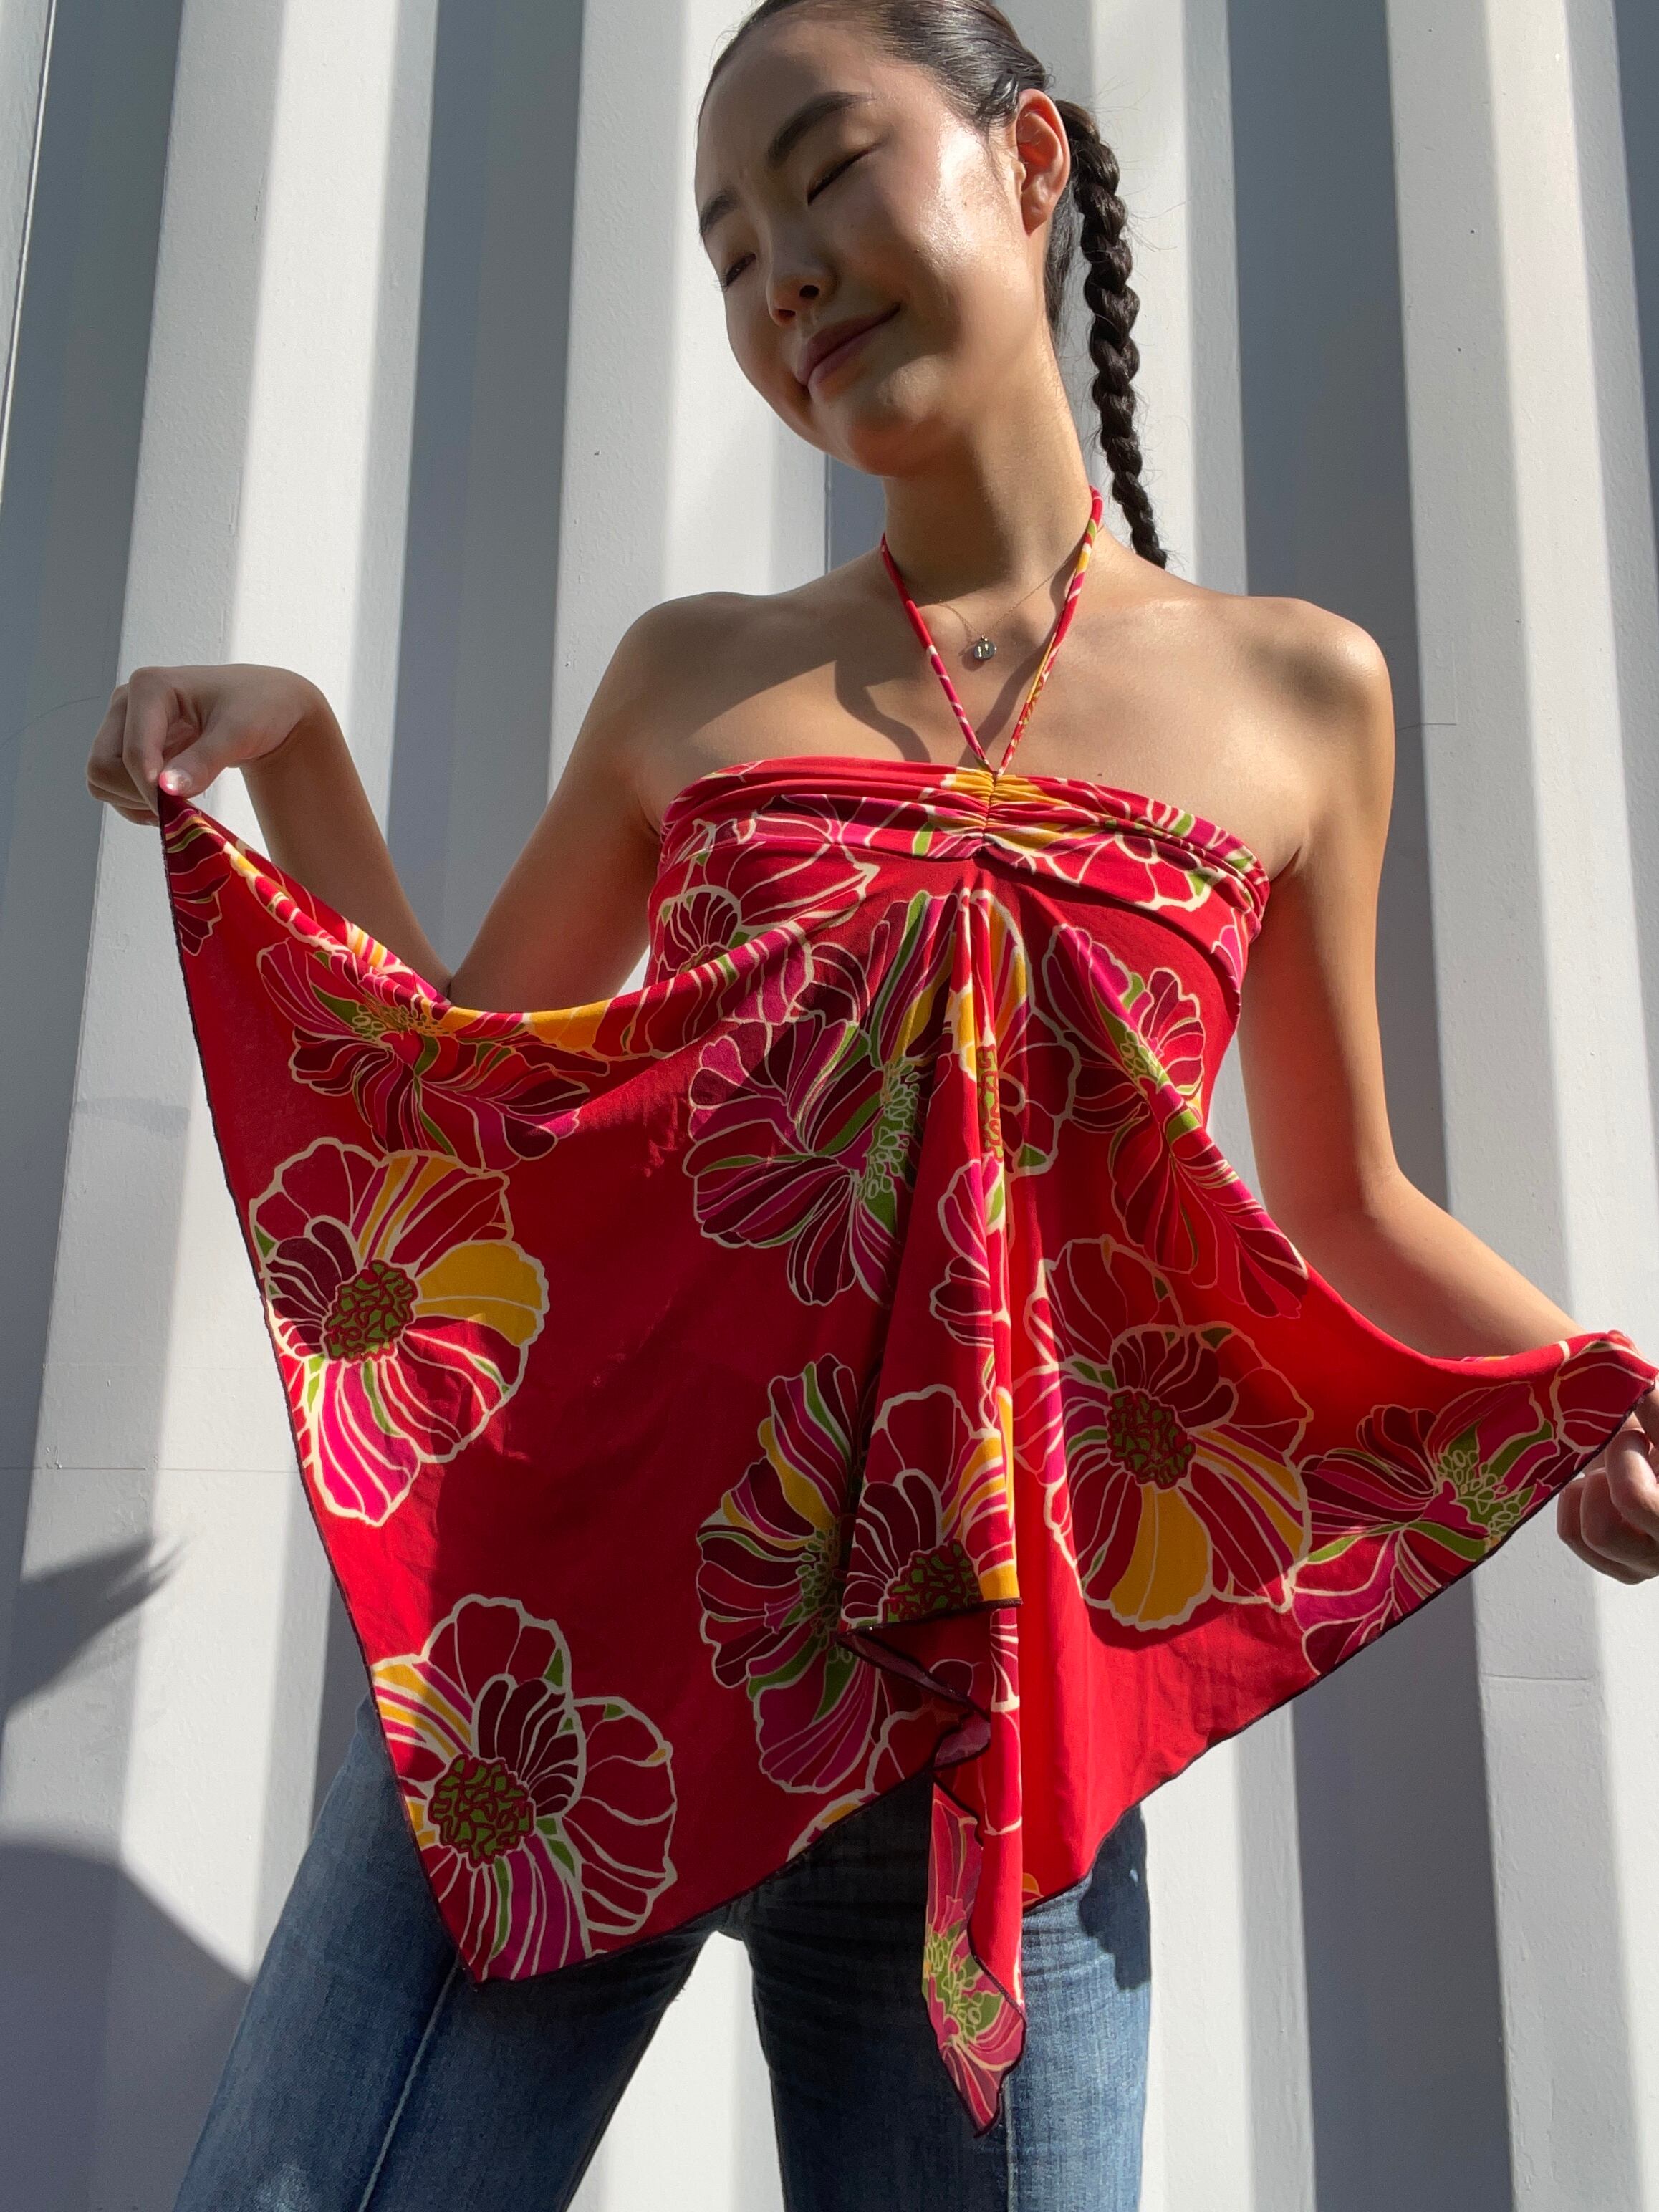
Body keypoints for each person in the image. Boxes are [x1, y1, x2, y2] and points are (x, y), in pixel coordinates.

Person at [85, 4, 1659, 2207]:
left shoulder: (1299, 693)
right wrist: (306, 758)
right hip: (584, 1667)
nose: (785, 276)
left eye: (825, 173)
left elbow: (1341, 1195)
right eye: (730, 250)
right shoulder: (693, 670)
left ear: (1030, 160)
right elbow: (458, 1117)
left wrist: (1586, 1393)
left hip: (988, 1734)